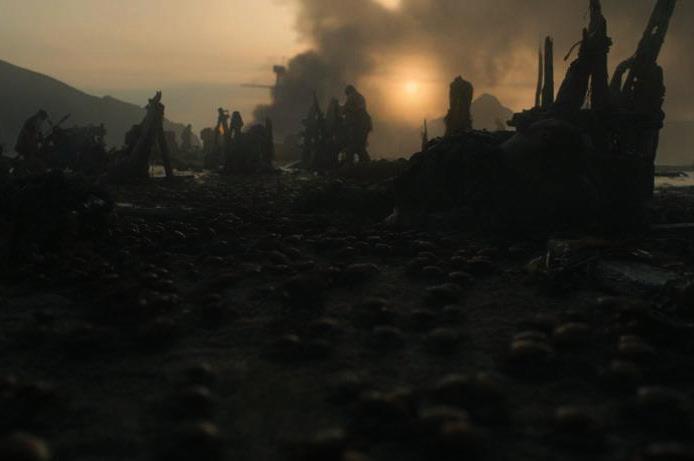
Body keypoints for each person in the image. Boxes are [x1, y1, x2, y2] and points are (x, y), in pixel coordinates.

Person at [342, 85, 372, 163]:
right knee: (360, 146)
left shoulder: (351, 97)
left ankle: (350, 164)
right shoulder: (360, 97)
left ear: (348, 92)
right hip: (365, 124)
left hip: (357, 125)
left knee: (353, 145)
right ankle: (365, 163)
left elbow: (344, 110)